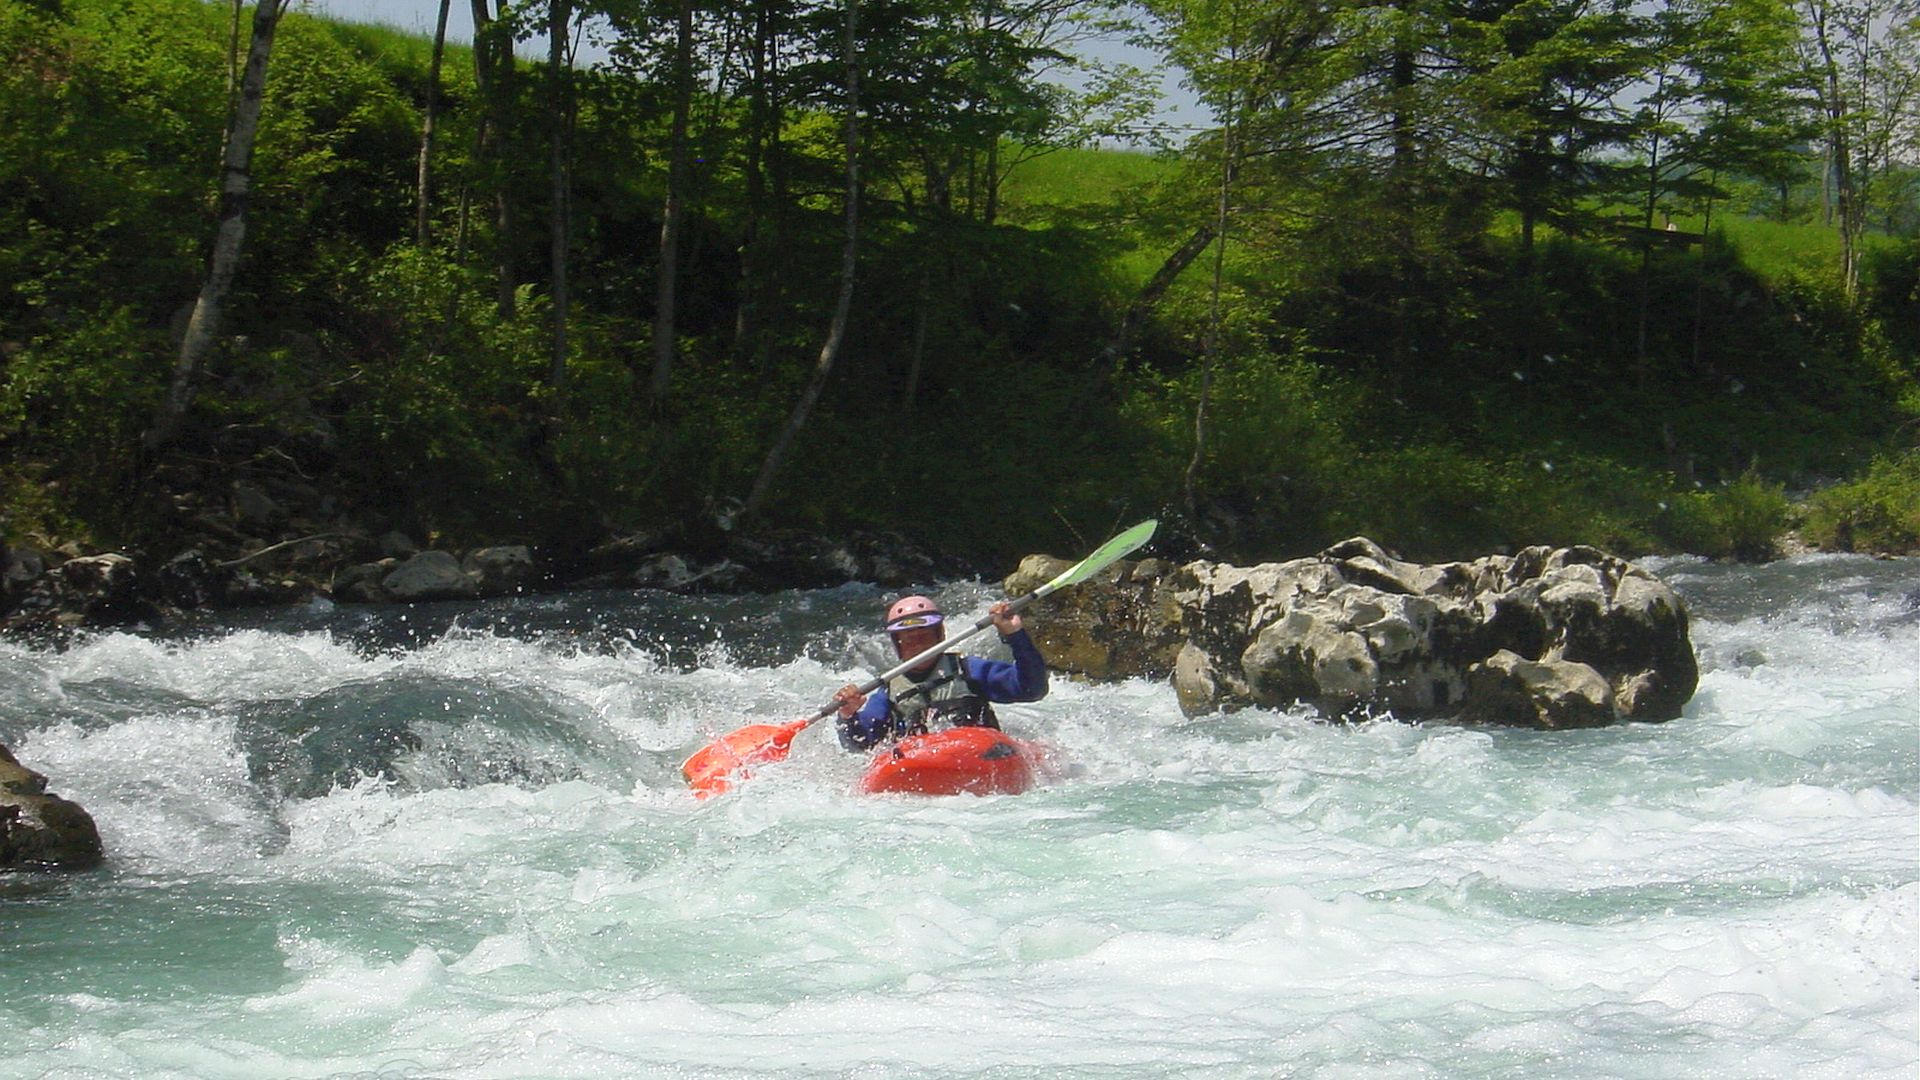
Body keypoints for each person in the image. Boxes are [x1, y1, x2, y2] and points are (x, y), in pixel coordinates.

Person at [832, 594, 1048, 751]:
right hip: (922, 766)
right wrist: (848, 716)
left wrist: (1015, 634)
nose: (918, 645)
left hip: (978, 756)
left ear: (940, 636)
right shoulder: (889, 691)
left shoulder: (969, 670)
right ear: (898, 645)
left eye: (924, 636)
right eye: (909, 639)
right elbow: (861, 744)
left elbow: (1033, 689)